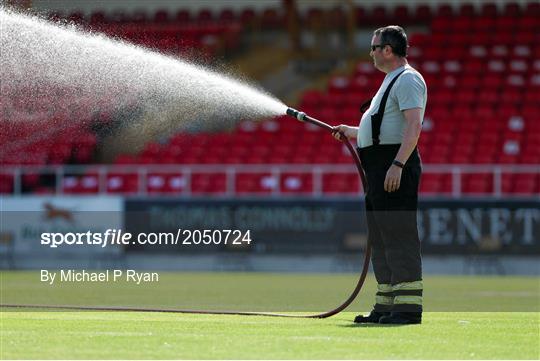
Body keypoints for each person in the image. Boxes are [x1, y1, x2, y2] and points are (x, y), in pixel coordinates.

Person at [333, 25, 427, 325]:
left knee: (398, 235)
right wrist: (353, 132)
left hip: (392, 166)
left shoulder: (408, 79)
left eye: (374, 47)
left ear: (388, 50)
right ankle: (386, 305)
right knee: (382, 238)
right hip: (379, 166)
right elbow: (384, 130)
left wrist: (398, 165)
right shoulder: (390, 80)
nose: (371, 53)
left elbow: (413, 127)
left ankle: (407, 308)